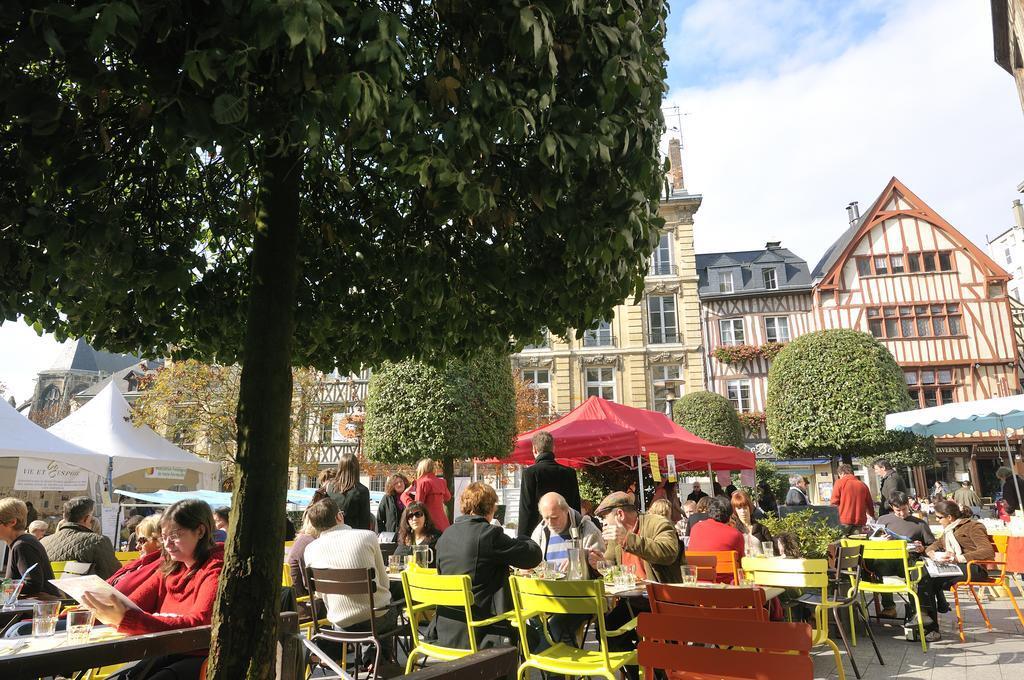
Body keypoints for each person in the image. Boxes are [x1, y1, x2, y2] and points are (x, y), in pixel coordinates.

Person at [81, 499, 223, 679]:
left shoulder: (215, 568)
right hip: (163, 650)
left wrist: (127, 619)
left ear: (200, 531)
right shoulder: (170, 567)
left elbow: (200, 624)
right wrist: (107, 609)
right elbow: (133, 604)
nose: (168, 544)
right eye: (164, 537)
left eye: (175, 535)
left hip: (200, 657)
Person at [435, 482, 542, 649]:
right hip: (484, 631)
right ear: (491, 508)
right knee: (539, 637)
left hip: (446, 630)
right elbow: (532, 557)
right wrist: (523, 537)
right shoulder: (489, 534)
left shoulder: (445, 536)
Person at [589, 492, 681, 679]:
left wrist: (627, 539)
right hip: (633, 601)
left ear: (620, 515)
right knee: (606, 630)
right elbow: (611, 565)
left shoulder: (658, 524)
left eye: (606, 518)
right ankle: (635, 674)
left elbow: (669, 552)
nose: (604, 524)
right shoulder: (616, 537)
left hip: (663, 601)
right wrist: (599, 564)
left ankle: (661, 673)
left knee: (654, 639)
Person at [303, 497, 397, 673]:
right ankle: (379, 663)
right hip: (376, 620)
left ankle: (372, 660)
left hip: (340, 622)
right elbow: (384, 584)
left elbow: (320, 595)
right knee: (388, 608)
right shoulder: (367, 536)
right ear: (339, 516)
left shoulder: (310, 549)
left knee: (375, 608)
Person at [867, 492, 939, 633]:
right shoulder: (884, 519)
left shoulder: (919, 524)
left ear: (909, 505)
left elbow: (933, 544)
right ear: (892, 508)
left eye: (904, 509)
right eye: (897, 510)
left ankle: (916, 611)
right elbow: (871, 538)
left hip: (908, 562)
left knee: (915, 573)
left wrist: (922, 548)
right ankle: (889, 606)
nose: (901, 513)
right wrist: (880, 540)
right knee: (874, 564)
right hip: (885, 561)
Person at [924, 501, 996, 637]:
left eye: (939, 517)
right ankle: (928, 623)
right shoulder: (948, 530)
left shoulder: (973, 526)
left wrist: (958, 558)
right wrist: (932, 553)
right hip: (956, 567)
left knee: (928, 578)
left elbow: (987, 551)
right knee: (924, 576)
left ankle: (930, 625)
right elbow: (934, 545)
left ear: (949, 517)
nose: (937, 520)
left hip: (974, 568)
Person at [518, 431, 581, 538]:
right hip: (567, 533)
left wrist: (523, 539)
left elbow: (526, 510)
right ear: (553, 449)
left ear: (534, 449)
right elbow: (575, 507)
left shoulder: (530, 473)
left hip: (540, 535)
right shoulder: (569, 472)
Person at [41, 496, 121, 579]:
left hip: (54, 590)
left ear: (65, 517)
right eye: (92, 517)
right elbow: (115, 574)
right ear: (86, 518)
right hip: (86, 590)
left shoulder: (43, 542)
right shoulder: (98, 541)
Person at [0, 497, 60, 597]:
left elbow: (33, 585)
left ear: (12, 522)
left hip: (38, 609)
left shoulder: (23, 545)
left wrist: (2, 585)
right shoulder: (20, 543)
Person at [288, 498, 340, 600]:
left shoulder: (304, 539)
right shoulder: (310, 544)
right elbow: (310, 584)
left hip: (301, 598)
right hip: (307, 602)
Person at [107, 514, 165, 596]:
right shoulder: (138, 563)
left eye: (142, 540)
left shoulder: (161, 567)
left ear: (160, 540)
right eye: (137, 541)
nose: (137, 546)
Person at [687, 497, 745, 574]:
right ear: (730, 516)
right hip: (727, 583)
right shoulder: (735, 534)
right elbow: (741, 563)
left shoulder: (695, 528)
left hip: (698, 581)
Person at [402, 459, 452, 531]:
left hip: (428, 522)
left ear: (421, 468)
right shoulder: (442, 481)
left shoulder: (422, 482)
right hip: (443, 522)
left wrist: (404, 496)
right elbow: (448, 497)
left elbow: (417, 506)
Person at [327, 453, 372, 530]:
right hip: (353, 536)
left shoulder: (330, 487)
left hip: (332, 533)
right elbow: (364, 521)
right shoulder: (362, 491)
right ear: (356, 468)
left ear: (340, 467)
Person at [830, 464, 874, 534]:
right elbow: (869, 504)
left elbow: (834, 502)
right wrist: (872, 515)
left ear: (842, 473)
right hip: (859, 521)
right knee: (857, 543)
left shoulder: (839, 482)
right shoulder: (863, 485)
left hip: (843, 520)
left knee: (840, 542)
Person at [395, 501, 442, 566]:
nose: (414, 518)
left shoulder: (436, 537)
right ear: (407, 520)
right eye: (410, 516)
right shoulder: (404, 538)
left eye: (418, 514)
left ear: (425, 517)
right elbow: (396, 560)